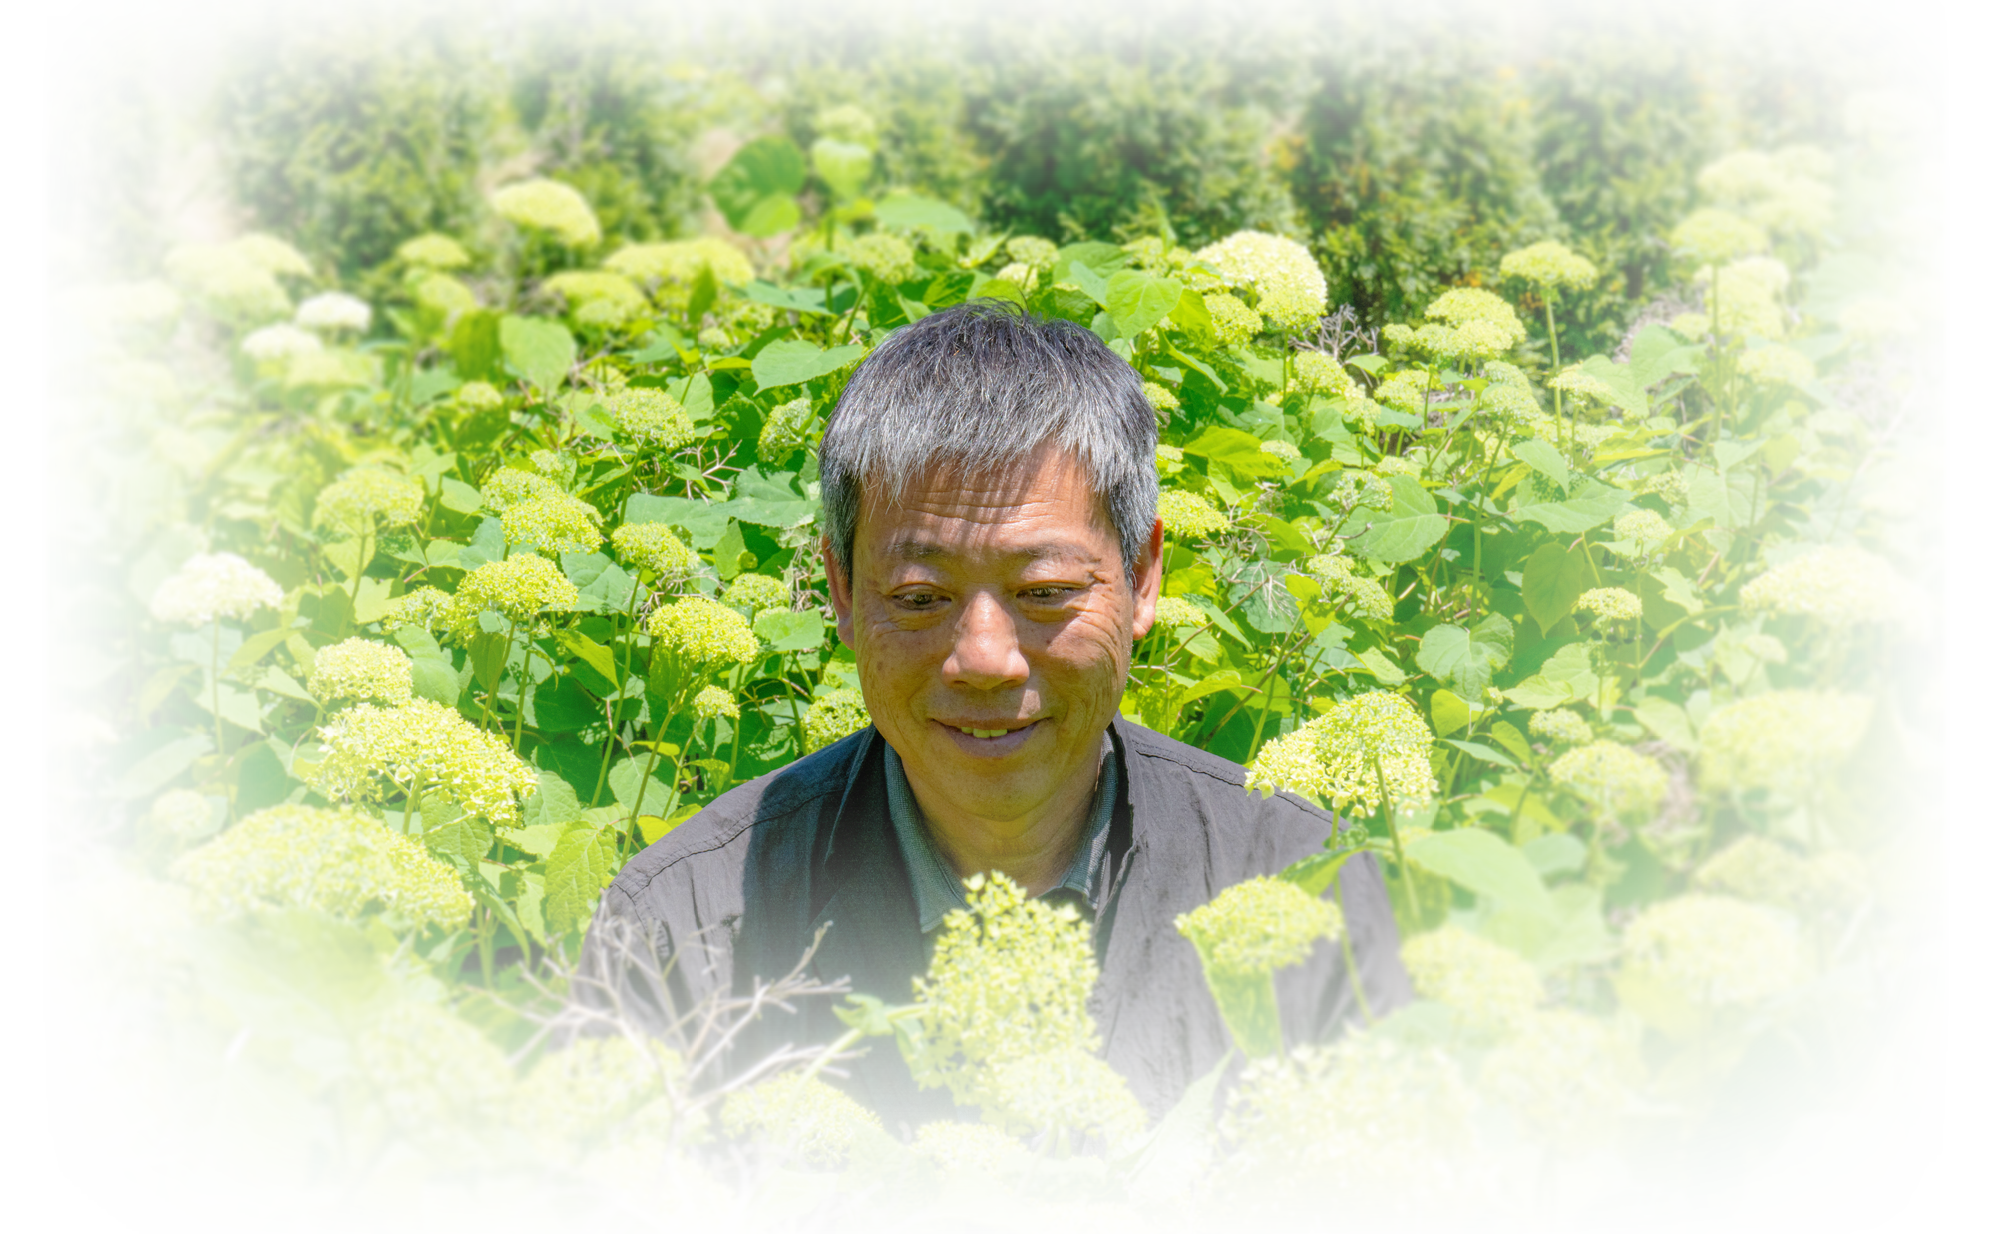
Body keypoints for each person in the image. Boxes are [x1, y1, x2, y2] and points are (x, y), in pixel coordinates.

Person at [572, 300, 1411, 1136]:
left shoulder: (1304, 887)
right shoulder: (686, 932)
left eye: (1045, 593)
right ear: (840, 588)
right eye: (920, 597)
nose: (983, 658)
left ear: (1145, 576)